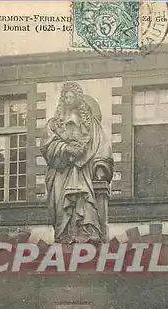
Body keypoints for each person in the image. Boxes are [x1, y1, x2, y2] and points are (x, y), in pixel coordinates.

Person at [41, 82, 113, 243]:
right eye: (65, 96)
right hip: (61, 170)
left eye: (71, 96)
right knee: (61, 206)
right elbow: (46, 145)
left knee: (85, 199)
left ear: (78, 99)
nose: (68, 99)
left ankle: (87, 230)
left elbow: (102, 145)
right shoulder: (53, 124)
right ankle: (65, 233)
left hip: (84, 170)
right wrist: (65, 148)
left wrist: (101, 166)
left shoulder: (91, 124)